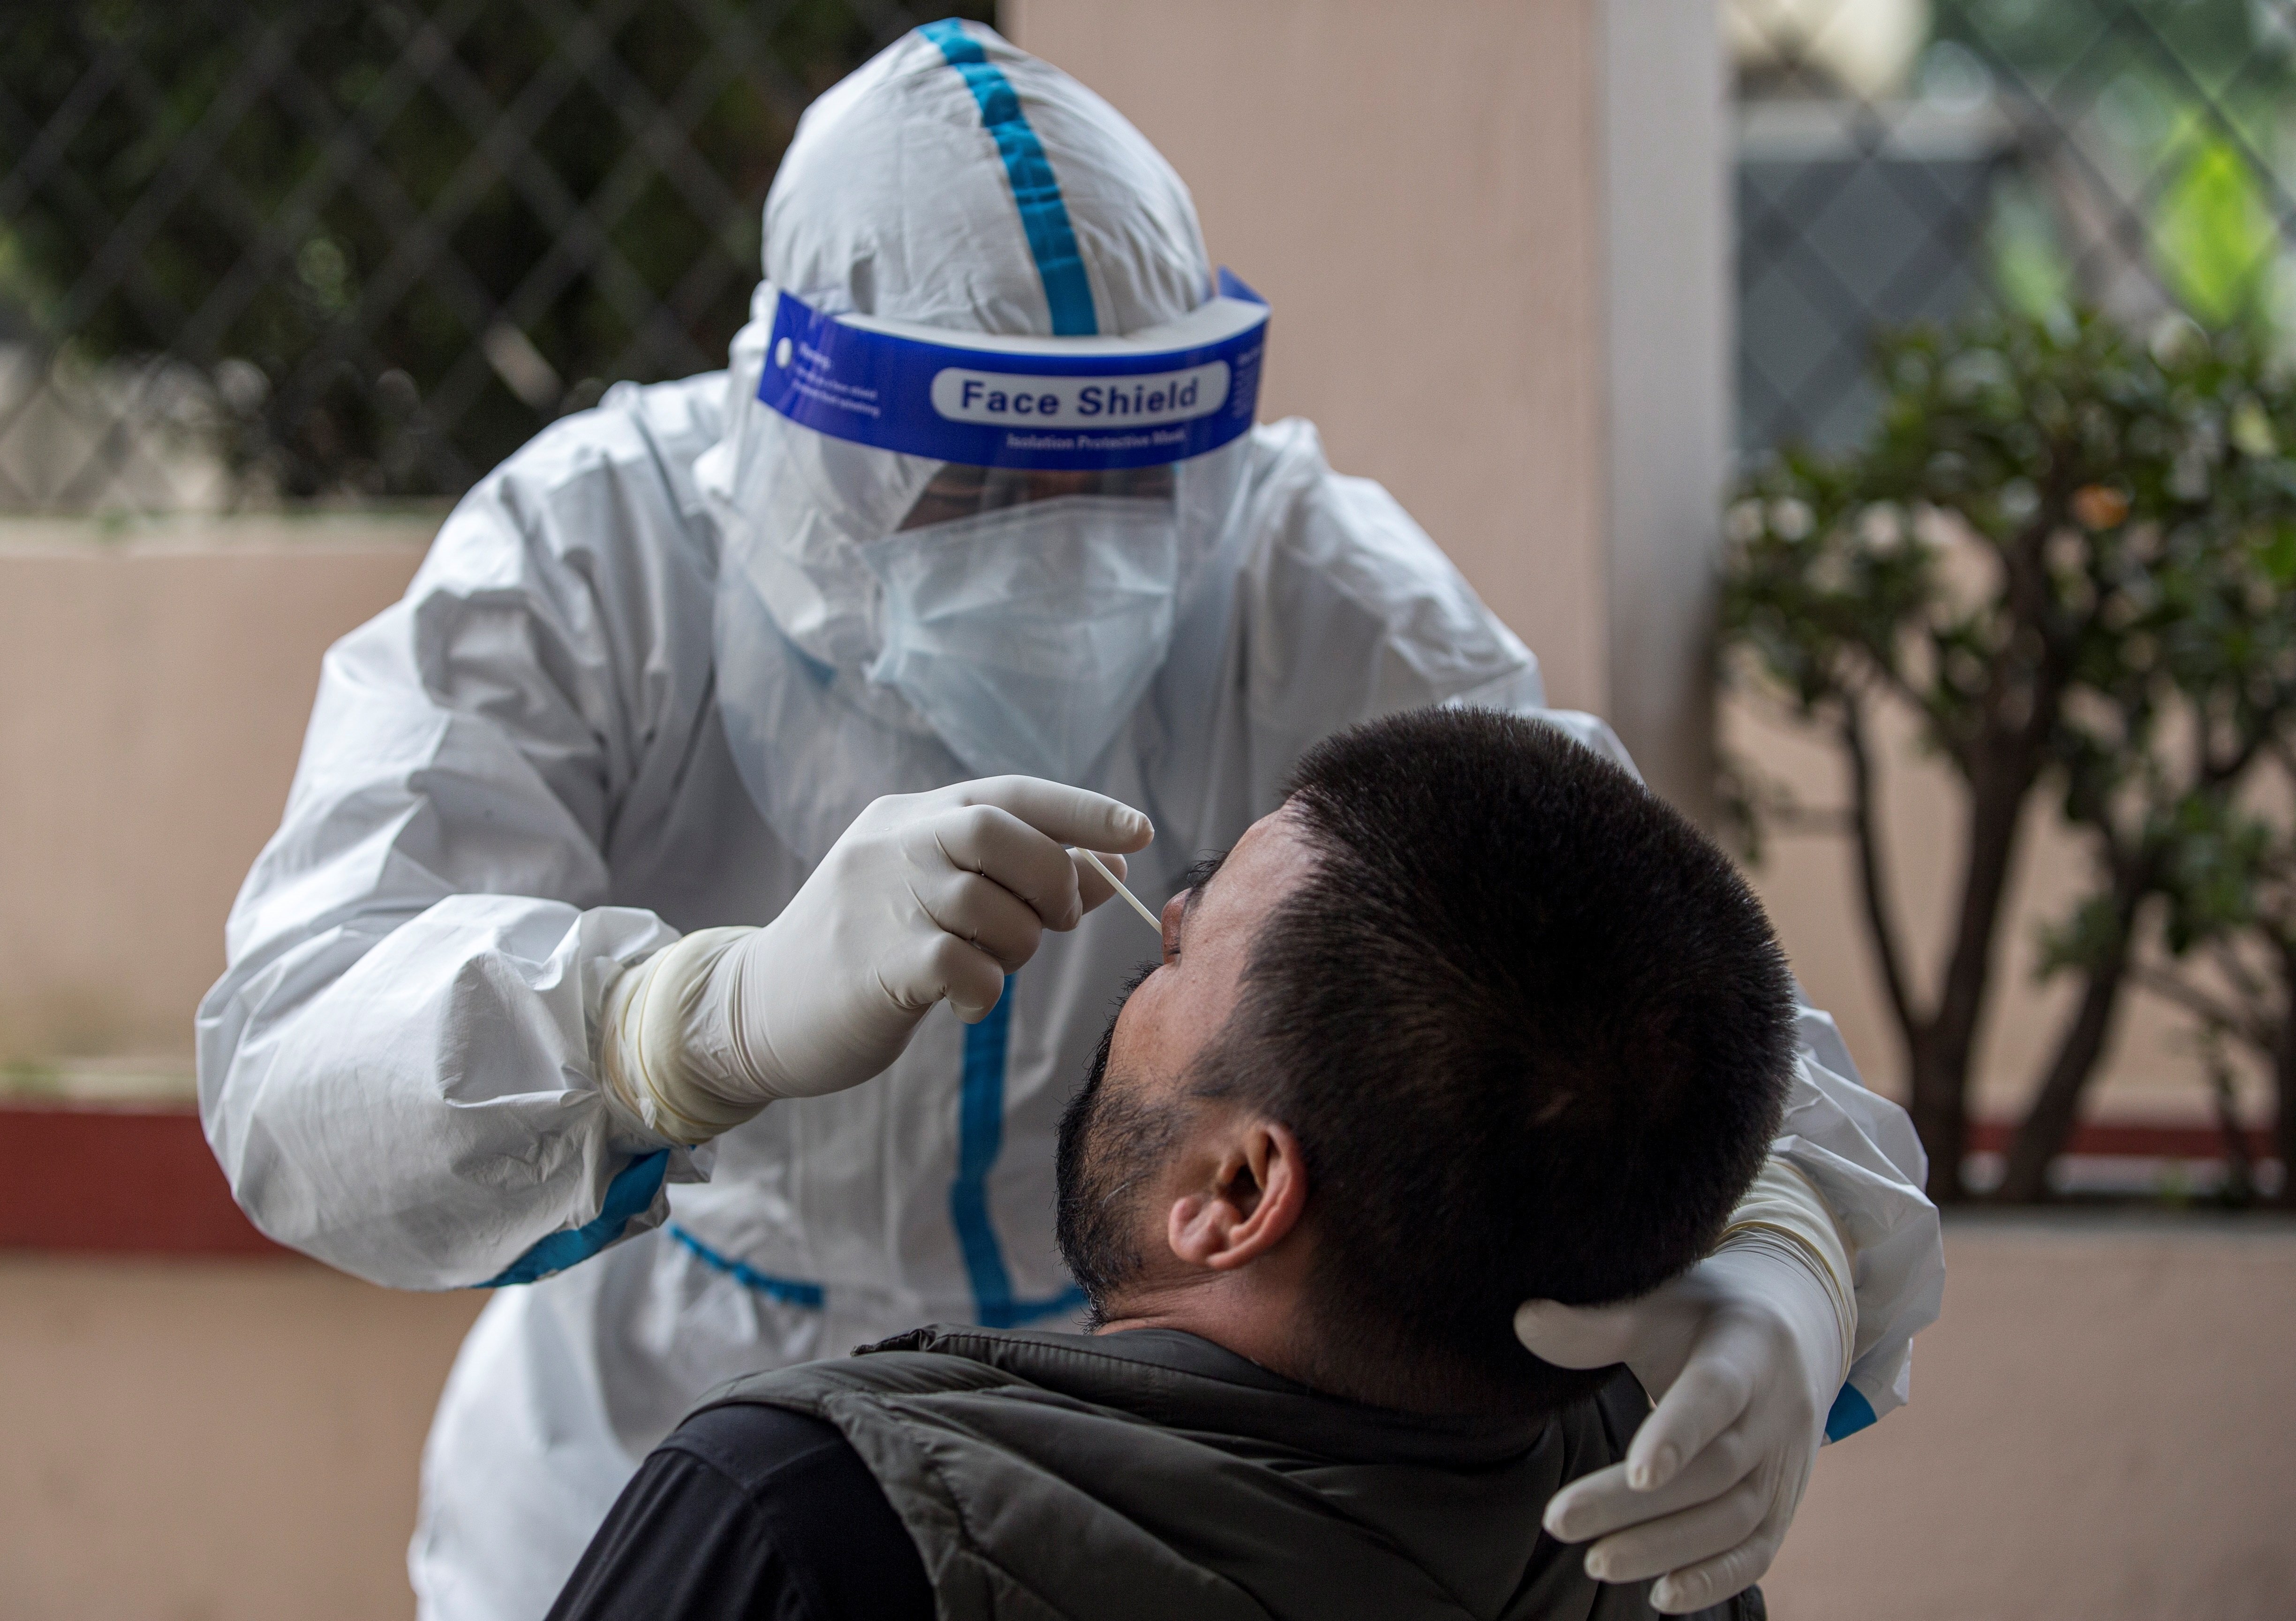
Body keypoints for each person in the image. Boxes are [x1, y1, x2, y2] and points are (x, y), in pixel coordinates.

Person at [195, 20, 1941, 1621]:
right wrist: (681, 1023)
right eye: (984, 485)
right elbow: (291, 1066)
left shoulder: (1297, 574)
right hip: (644, 1429)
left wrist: (1789, 1246)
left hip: (1148, 1448)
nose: (1068, 544)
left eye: (1124, 480)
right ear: (807, 429)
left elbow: (1608, 960)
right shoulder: (593, 561)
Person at [544, 710, 1819, 1621]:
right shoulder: (1654, 1541)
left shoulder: (808, 1518)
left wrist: (666, 1036)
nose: (1158, 917)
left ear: (1237, 1196)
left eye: (1183, 942)